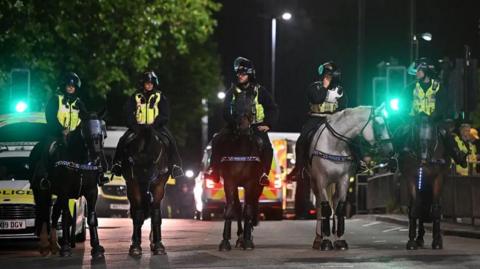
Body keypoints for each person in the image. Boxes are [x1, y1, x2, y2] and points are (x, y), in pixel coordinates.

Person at [206, 57, 278, 186]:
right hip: (234, 125)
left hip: (256, 127)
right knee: (217, 140)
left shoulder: (260, 91)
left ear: (250, 74)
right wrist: (233, 122)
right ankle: (214, 171)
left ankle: (264, 174)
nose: (240, 76)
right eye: (238, 73)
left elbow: (272, 108)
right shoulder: (231, 92)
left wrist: (268, 124)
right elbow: (225, 110)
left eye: (243, 73)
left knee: (267, 147)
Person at [111, 71, 184, 178]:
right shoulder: (136, 96)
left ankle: (176, 166)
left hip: (156, 127)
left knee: (170, 140)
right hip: (138, 127)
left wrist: (156, 124)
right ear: (143, 84)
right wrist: (133, 125)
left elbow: (165, 113)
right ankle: (117, 164)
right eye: (147, 83)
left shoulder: (160, 96)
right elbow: (127, 111)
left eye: (151, 83)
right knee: (123, 140)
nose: (149, 85)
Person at [287, 61, 344, 182]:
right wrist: (324, 87)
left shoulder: (340, 90)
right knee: (302, 140)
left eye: (331, 76)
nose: (329, 78)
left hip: (333, 120)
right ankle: (299, 169)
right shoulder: (314, 87)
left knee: (348, 135)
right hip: (316, 118)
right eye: (328, 75)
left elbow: (344, 107)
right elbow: (317, 99)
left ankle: (358, 163)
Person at [406, 57, 467, 167]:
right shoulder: (413, 86)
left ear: (426, 72)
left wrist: (436, 114)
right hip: (416, 119)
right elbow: (404, 100)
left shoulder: (437, 86)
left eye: (419, 71)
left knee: (445, 133)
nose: (417, 74)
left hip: (434, 120)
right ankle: (394, 157)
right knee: (404, 131)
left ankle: (458, 155)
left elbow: (444, 102)